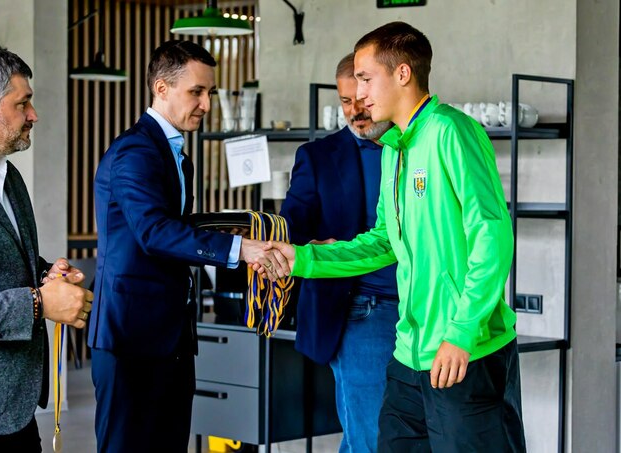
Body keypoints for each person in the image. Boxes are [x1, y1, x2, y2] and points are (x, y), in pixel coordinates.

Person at [267, 22, 526, 452]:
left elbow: (492, 236)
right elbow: (386, 241)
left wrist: (461, 333)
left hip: (465, 351)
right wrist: (304, 259)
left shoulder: (451, 132)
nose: (359, 93)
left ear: (402, 73)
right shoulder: (394, 148)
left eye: (366, 79)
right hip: (409, 355)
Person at [89, 40, 286, 453]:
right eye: (197, 92)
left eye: (209, 92)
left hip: (172, 336)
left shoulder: (175, 155)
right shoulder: (135, 151)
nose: (206, 104)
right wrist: (240, 249)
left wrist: (250, 230)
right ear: (161, 88)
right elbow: (154, 232)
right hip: (130, 338)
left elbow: (176, 226)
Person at [0, 46, 93, 451]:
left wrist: (47, 275)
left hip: (17, 410)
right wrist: (40, 303)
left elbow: (0, 263)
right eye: (22, 103)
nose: (33, 115)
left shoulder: (8, 176)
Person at [279, 53, 397, 453]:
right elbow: (292, 225)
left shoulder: (412, 148)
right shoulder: (317, 156)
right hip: (360, 309)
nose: (354, 110)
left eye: (361, 99)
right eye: (345, 101)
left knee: (393, 438)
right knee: (371, 438)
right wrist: (307, 246)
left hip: (421, 308)